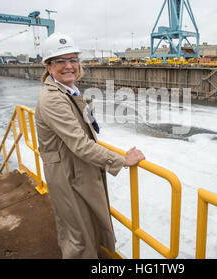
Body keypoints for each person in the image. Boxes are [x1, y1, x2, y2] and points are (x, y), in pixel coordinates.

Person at [35, 32, 145, 259]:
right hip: (67, 174)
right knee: (78, 237)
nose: (69, 66)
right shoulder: (53, 98)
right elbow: (80, 144)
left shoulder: (66, 91)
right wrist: (122, 160)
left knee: (85, 227)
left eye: (73, 59)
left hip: (75, 169)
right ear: (48, 66)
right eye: (60, 61)